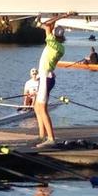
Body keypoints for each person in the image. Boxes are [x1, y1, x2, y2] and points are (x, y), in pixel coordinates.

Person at [33, 18, 65, 148]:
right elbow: (49, 26)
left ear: (54, 35)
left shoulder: (52, 43)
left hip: (46, 78)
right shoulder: (59, 46)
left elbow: (47, 26)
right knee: (36, 107)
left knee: (41, 108)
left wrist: (60, 16)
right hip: (46, 77)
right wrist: (58, 16)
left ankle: (51, 138)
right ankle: (42, 136)